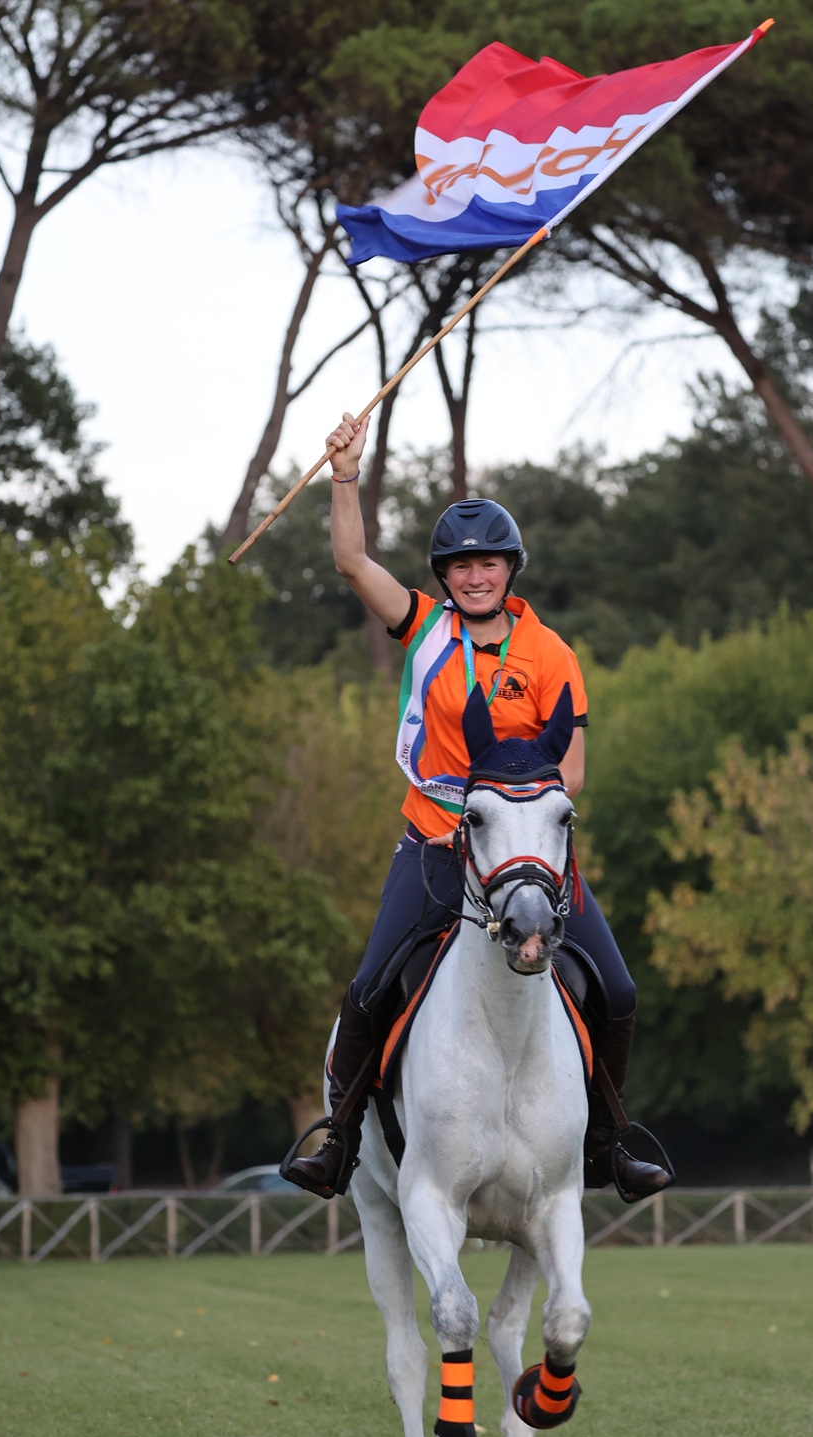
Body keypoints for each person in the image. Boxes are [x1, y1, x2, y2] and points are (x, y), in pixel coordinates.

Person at [287, 411, 669, 1203]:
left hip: (524, 853)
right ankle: (342, 1143)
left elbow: (572, 770)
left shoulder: (552, 655)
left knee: (620, 991)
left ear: (510, 569)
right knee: (367, 988)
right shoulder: (424, 628)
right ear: (444, 576)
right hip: (432, 848)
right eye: (458, 566)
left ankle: (609, 1144)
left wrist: (518, 812)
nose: (473, 576)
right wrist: (346, 472)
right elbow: (353, 561)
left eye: (487, 563)